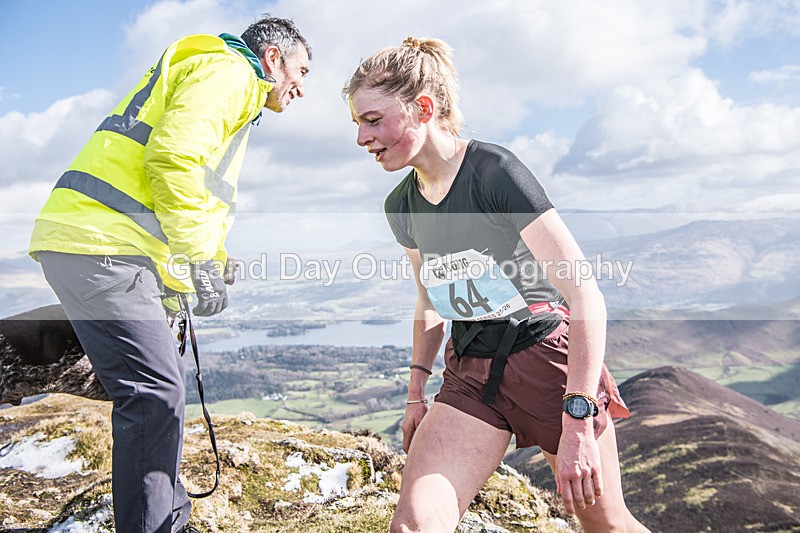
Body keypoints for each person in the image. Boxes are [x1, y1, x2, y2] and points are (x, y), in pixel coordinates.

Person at [344, 37, 649, 532]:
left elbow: (586, 295)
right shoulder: (400, 205)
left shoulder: (494, 172)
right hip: (471, 374)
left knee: (606, 525)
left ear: (423, 108)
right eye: (357, 122)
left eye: (373, 120)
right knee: (414, 525)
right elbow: (431, 300)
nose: (361, 137)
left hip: (549, 365)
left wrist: (577, 419)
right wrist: (416, 392)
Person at [28, 15, 311, 533]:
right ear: (273, 58)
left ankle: (166, 513)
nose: (301, 87)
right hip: (103, 246)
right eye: (301, 70)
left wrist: (213, 261)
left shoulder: (228, 87)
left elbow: (198, 192)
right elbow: (173, 158)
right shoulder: (232, 75)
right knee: (153, 393)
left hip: (99, 244)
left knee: (155, 388)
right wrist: (199, 260)